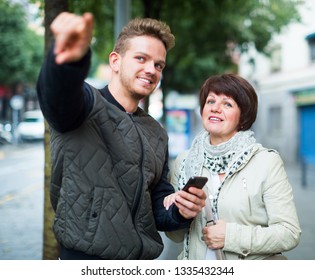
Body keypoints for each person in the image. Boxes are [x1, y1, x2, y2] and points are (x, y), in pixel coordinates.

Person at [36, 12, 206, 260]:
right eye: (141, 58)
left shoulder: (156, 132)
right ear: (115, 61)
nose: (151, 70)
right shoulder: (85, 106)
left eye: (159, 65)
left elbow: (157, 201)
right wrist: (68, 63)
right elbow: (57, 95)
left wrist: (180, 209)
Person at [164, 73, 301, 260]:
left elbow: (289, 232)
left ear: (243, 117)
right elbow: (175, 236)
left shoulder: (265, 162)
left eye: (227, 104)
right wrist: (180, 214)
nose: (215, 109)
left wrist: (231, 236)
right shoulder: (185, 161)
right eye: (210, 101)